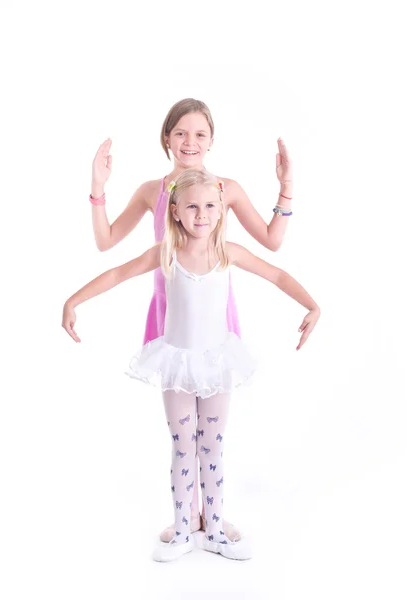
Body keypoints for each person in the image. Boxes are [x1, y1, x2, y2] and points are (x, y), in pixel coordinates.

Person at [62, 169, 320, 561]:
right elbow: (117, 273)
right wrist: (73, 301)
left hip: (217, 363)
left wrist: (312, 305)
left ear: (221, 211)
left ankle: (215, 528)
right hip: (177, 365)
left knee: (211, 447)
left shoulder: (227, 252)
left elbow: (277, 274)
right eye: (193, 206)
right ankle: (183, 529)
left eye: (210, 206)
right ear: (176, 211)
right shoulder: (166, 252)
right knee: (183, 446)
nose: (202, 214)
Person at [89, 98, 294, 543]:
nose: (189, 142)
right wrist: (98, 188)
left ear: (212, 141)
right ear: (167, 137)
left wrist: (286, 186)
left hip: (215, 312)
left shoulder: (225, 189)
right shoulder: (152, 190)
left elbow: (273, 245)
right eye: (181, 132)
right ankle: (189, 515)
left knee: (213, 425)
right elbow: (107, 243)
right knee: (182, 426)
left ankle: (211, 516)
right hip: (168, 316)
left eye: (200, 134)